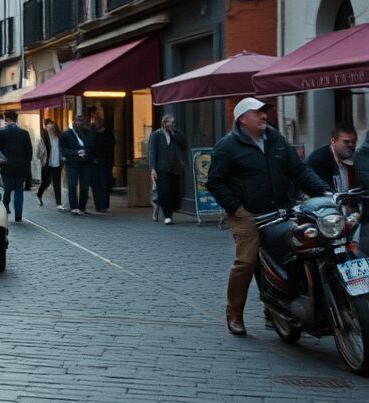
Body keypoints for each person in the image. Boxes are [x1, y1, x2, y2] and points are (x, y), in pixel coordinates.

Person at [207, 97, 329, 337]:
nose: (264, 116)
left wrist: (325, 192)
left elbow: (300, 171)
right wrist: (239, 210)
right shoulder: (228, 145)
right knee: (246, 262)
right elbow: (215, 181)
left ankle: (282, 306)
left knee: (300, 250)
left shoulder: (277, 140)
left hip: (283, 210)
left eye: (265, 112)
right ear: (243, 119)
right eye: (258, 112)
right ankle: (234, 314)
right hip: (247, 213)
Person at [147, 114, 189, 224]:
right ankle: (167, 216)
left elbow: (184, 144)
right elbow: (152, 152)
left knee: (174, 191)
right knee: (165, 191)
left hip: (175, 167)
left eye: (173, 122)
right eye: (170, 122)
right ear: (164, 123)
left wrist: (174, 133)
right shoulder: (157, 135)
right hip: (162, 168)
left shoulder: (176, 134)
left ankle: (170, 210)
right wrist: (152, 168)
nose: (172, 124)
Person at [0, 111, 33, 222]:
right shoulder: (24, 133)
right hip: (21, 167)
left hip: (6, 167)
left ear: (6, 119)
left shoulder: (2, 133)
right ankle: (18, 215)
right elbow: (29, 152)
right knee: (19, 190)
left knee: (7, 188)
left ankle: (6, 205)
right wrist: (26, 166)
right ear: (16, 119)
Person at [306, 123, 358, 192]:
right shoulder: (319, 160)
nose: (351, 145)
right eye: (346, 142)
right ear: (333, 141)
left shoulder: (351, 159)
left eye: (353, 142)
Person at [60, 113, 95, 215]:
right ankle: (74, 207)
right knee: (72, 185)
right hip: (72, 163)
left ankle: (82, 207)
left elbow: (92, 146)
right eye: (77, 120)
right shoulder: (67, 134)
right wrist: (75, 153)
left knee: (85, 185)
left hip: (85, 163)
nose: (79, 122)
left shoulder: (88, 133)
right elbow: (63, 149)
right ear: (73, 121)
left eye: (81, 120)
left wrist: (87, 152)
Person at [88, 108, 115, 213]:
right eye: (96, 120)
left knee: (106, 183)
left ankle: (105, 204)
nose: (97, 122)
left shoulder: (108, 133)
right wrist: (93, 158)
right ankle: (99, 206)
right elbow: (90, 146)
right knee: (96, 184)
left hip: (106, 162)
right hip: (95, 163)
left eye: (99, 120)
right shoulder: (92, 132)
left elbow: (111, 146)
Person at [36, 119, 63, 210]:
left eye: (52, 126)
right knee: (46, 182)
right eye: (48, 126)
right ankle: (39, 194)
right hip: (47, 164)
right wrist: (43, 158)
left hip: (57, 163)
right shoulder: (43, 139)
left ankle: (59, 203)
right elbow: (38, 154)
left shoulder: (59, 137)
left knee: (57, 183)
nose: (50, 128)